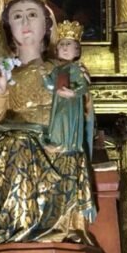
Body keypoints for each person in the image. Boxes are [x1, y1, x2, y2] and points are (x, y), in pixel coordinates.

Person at [0, 0, 96, 248]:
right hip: (18, 142)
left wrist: (78, 96)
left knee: (40, 147)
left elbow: (82, 111)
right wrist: (0, 92)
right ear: (9, 27)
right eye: (17, 16)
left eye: (32, 15)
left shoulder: (60, 69)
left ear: (47, 25)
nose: (25, 22)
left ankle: (50, 231)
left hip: (58, 140)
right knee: (17, 143)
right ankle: (18, 232)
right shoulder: (7, 72)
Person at [45, 20, 94, 156]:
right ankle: (57, 142)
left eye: (68, 44)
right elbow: (49, 86)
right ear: (56, 50)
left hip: (72, 103)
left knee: (66, 119)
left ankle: (67, 143)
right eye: (62, 44)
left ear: (77, 50)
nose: (65, 47)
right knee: (57, 120)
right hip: (58, 102)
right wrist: (43, 76)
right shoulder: (56, 70)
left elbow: (83, 87)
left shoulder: (77, 68)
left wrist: (73, 93)